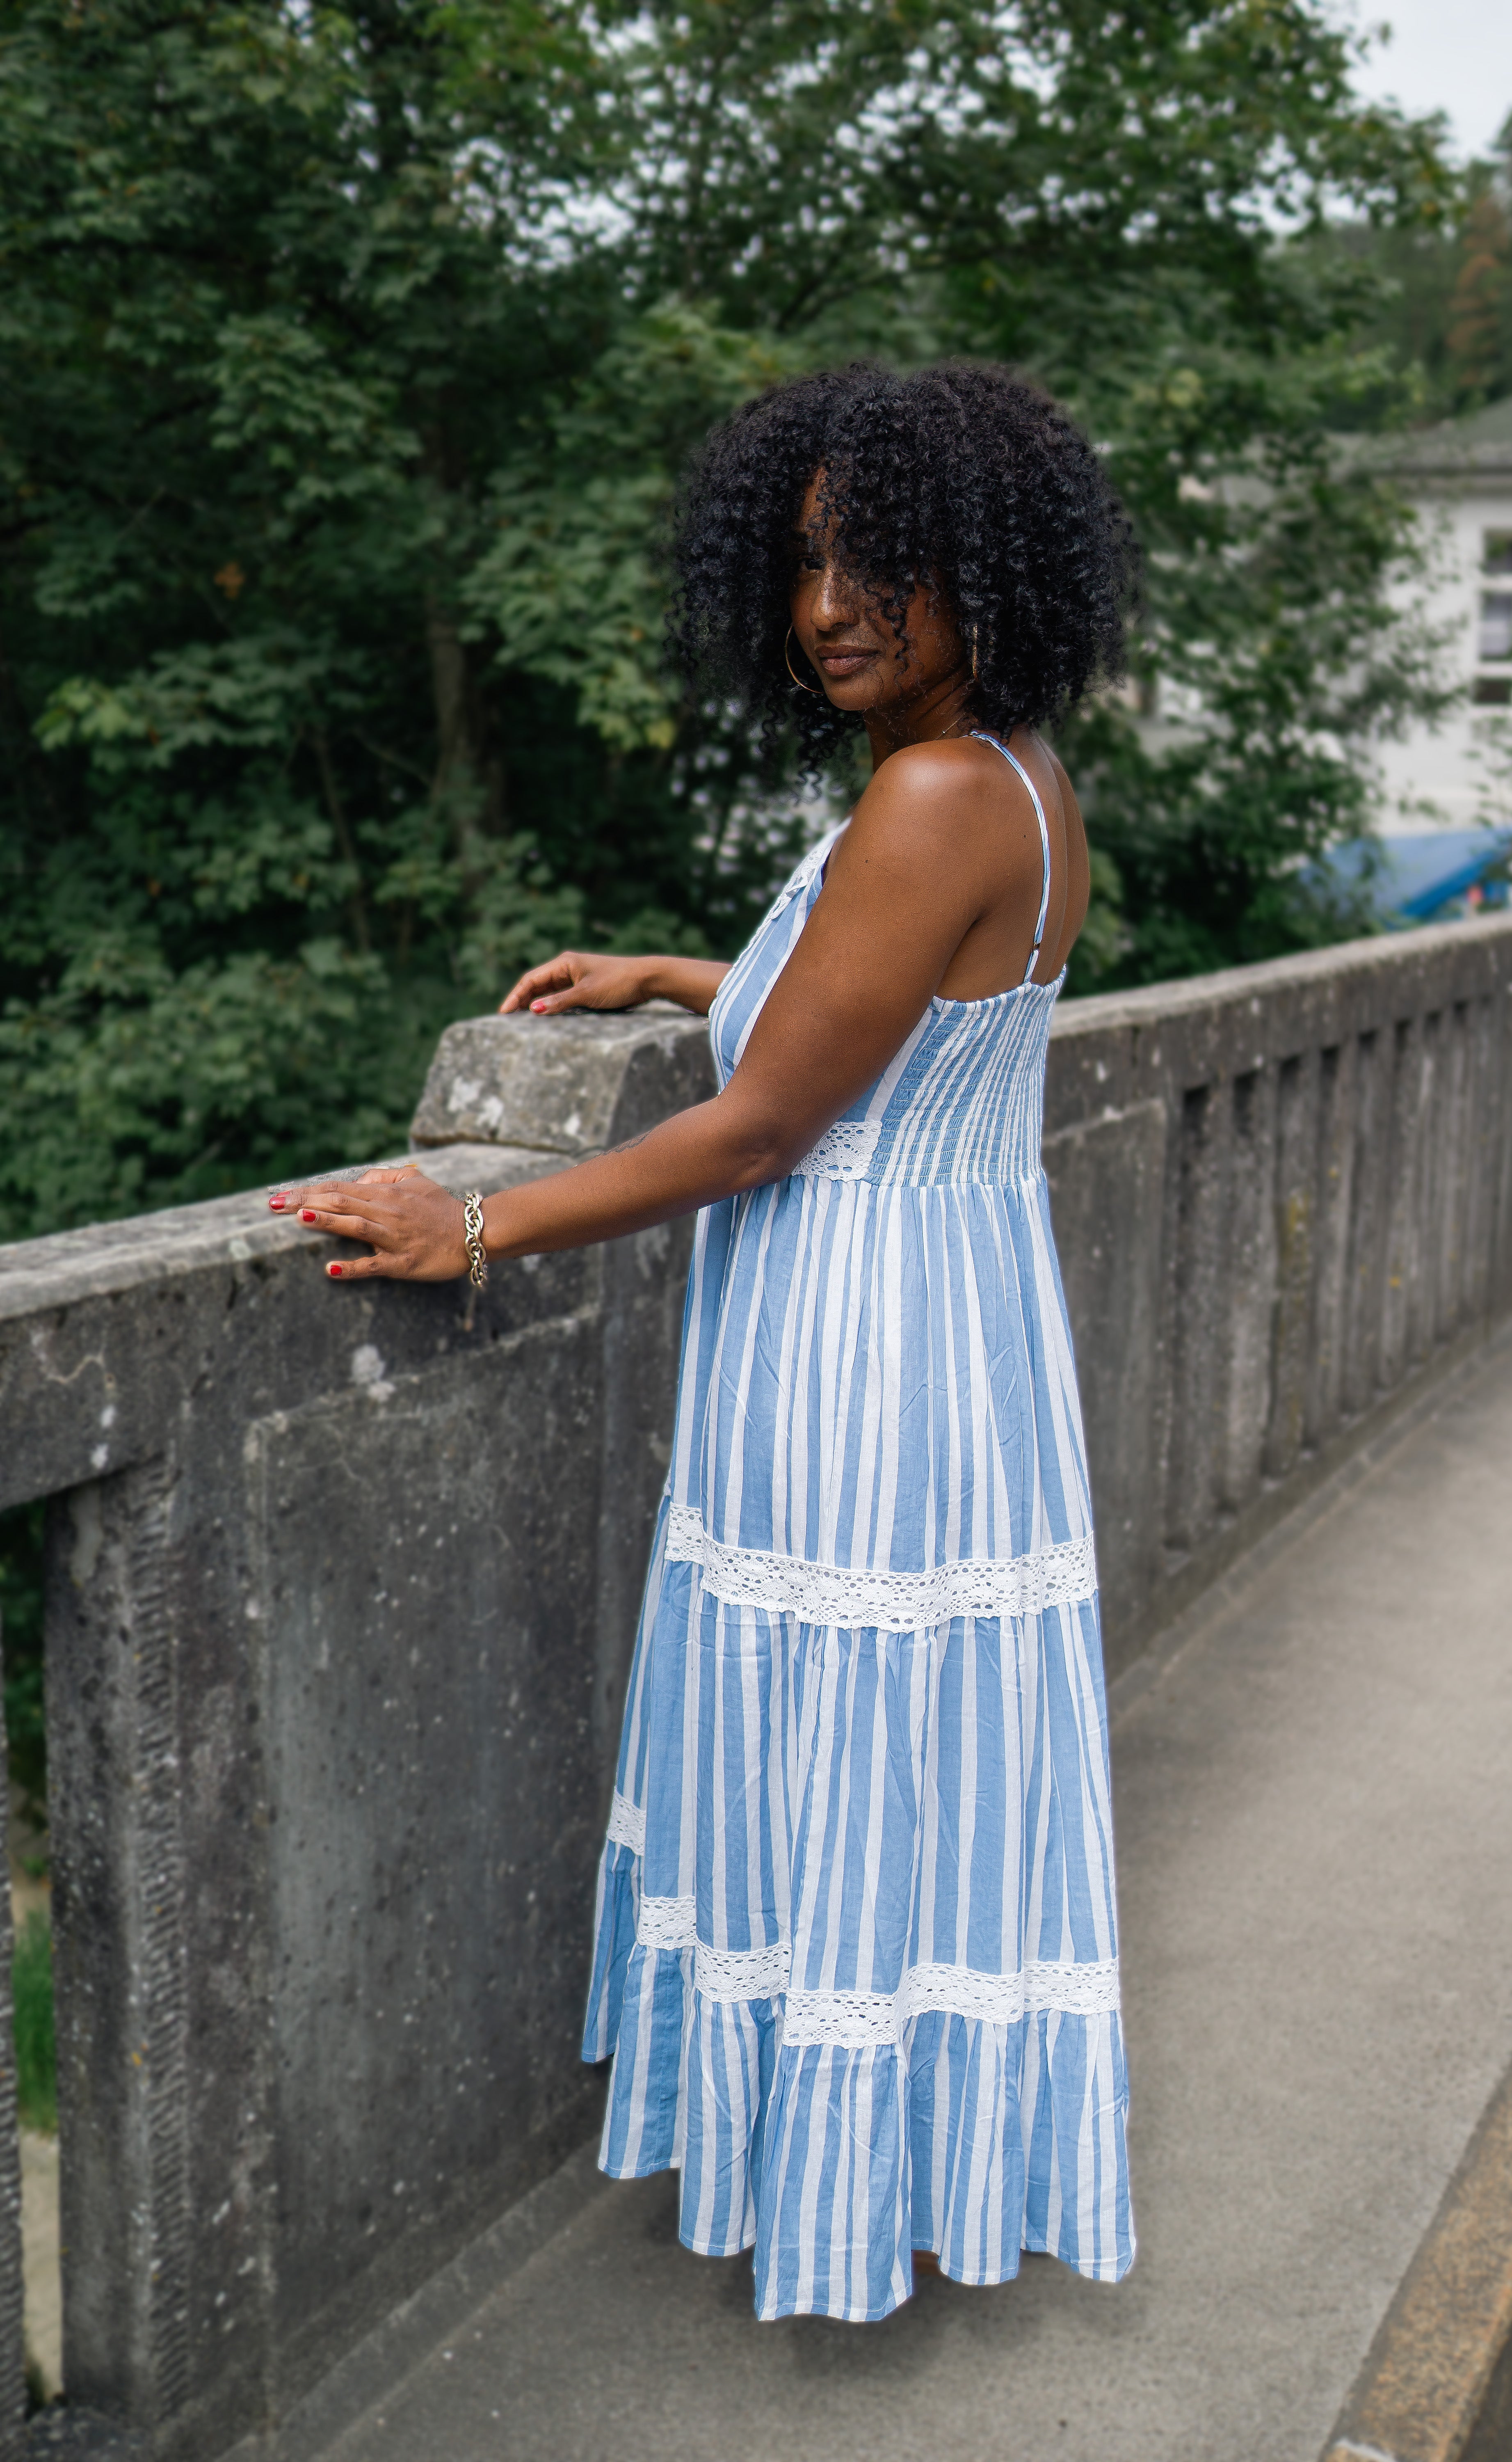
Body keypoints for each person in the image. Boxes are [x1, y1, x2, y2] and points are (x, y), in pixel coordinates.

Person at [277, 360, 1138, 2322]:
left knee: (836, 1745)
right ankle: (909, 2171)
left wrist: (468, 1215)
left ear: (983, 563)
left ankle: (840, 2207)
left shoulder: (928, 796)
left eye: (880, 558)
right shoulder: (1010, 773)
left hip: (856, 1339)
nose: (828, 602)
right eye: (806, 557)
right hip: (952, 1326)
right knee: (915, 1764)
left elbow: (757, 1129)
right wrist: (689, 968)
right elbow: (893, 1004)